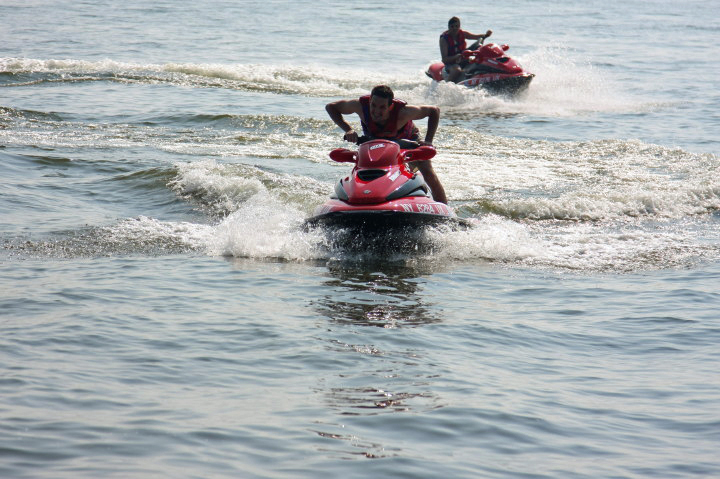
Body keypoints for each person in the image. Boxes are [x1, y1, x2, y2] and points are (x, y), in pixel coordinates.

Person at [325, 85, 447, 204]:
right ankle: (367, 196)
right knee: (368, 167)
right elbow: (331, 107)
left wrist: (428, 141)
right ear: (369, 102)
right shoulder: (359, 107)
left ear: (390, 106)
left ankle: (444, 207)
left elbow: (434, 111)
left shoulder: (403, 113)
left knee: (427, 170)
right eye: (373, 105)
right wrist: (348, 130)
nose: (376, 111)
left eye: (382, 107)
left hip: (408, 142)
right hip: (375, 141)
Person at [440, 16, 492, 83]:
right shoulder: (444, 39)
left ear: (459, 26)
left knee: (481, 62)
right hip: (451, 64)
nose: (454, 28)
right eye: (452, 26)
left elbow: (477, 37)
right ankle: (446, 87)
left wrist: (486, 35)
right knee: (457, 70)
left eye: (456, 26)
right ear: (448, 27)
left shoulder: (463, 33)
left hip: (463, 59)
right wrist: (457, 56)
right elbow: (444, 59)